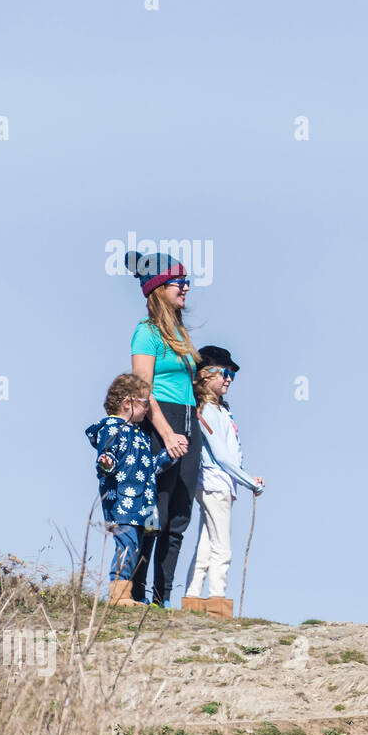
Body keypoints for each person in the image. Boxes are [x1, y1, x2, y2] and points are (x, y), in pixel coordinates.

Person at [125, 250, 203, 607]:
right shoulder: (146, 333)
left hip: (189, 422)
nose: (186, 287)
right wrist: (167, 434)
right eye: (179, 282)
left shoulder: (180, 333)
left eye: (187, 280)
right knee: (156, 512)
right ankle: (136, 593)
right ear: (159, 288)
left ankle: (162, 599)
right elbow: (143, 390)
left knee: (179, 517)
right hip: (162, 426)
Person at [184, 346, 264, 604]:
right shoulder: (206, 410)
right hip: (214, 482)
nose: (229, 379)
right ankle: (217, 600)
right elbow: (221, 455)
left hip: (221, 483)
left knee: (206, 545)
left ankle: (192, 597)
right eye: (224, 373)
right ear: (205, 375)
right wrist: (249, 481)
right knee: (223, 546)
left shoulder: (221, 410)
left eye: (232, 375)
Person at [85, 374, 172, 605]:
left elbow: (149, 467)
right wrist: (106, 462)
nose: (147, 409)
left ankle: (128, 593)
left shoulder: (138, 434)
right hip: (122, 502)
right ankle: (118, 594)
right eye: (145, 403)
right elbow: (107, 455)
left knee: (137, 547)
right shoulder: (112, 428)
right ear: (127, 402)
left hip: (142, 504)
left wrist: (168, 456)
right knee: (128, 545)